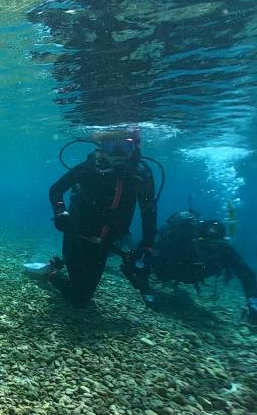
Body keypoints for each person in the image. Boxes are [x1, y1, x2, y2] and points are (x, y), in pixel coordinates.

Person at [44, 128, 157, 307]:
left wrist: (147, 245)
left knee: (84, 295)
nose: (118, 154)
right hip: (77, 235)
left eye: (125, 147)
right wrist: (60, 212)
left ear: (135, 147)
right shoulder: (88, 168)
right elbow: (56, 190)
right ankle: (51, 275)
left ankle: (62, 269)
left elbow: (148, 211)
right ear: (101, 148)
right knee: (79, 299)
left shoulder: (141, 177)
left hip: (107, 242)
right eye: (111, 146)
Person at [123, 210, 257, 324]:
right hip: (165, 270)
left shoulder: (224, 252)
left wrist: (253, 302)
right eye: (203, 244)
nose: (208, 251)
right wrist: (147, 293)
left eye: (214, 245)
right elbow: (144, 260)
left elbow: (247, 275)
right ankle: (124, 237)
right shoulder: (176, 244)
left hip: (184, 273)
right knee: (134, 252)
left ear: (221, 244)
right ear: (194, 239)